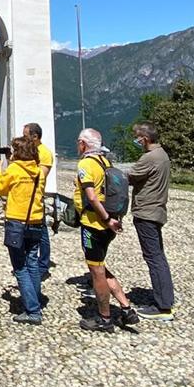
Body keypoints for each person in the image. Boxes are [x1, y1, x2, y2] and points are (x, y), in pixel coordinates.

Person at [74, 127, 138, 334]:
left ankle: (104, 318)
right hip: (108, 224)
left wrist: (107, 219)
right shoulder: (106, 162)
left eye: (78, 142)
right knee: (101, 265)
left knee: (96, 272)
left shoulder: (86, 163)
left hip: (94, 224)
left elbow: (91, 196)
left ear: (83, 144)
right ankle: (126, 307)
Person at [0, 135, 47, 324]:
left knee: (20, 267)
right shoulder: (38, 170)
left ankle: (33, 310)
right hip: (36, 219)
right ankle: (35, 299)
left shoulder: (14, 170)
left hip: (17, 220)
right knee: (32, 262)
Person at [127, 123, 175, 319]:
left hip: (146, 212)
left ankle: (163, 306)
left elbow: (129, 176)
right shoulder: (162, 154)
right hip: (156, 210)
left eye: (137, 137)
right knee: (158, 256)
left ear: (145, 139)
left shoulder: (150, 158)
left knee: (154, 258)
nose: (137, 141)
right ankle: (166, 297)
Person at [23, 121, 54, 277]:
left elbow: (40, 175)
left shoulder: (44, 153)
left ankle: (43, 265)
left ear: (35, 136)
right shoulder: (29, 151)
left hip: (36, 196)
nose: (24, 139)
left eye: (26, 136)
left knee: (42, 232)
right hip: (25, 196)